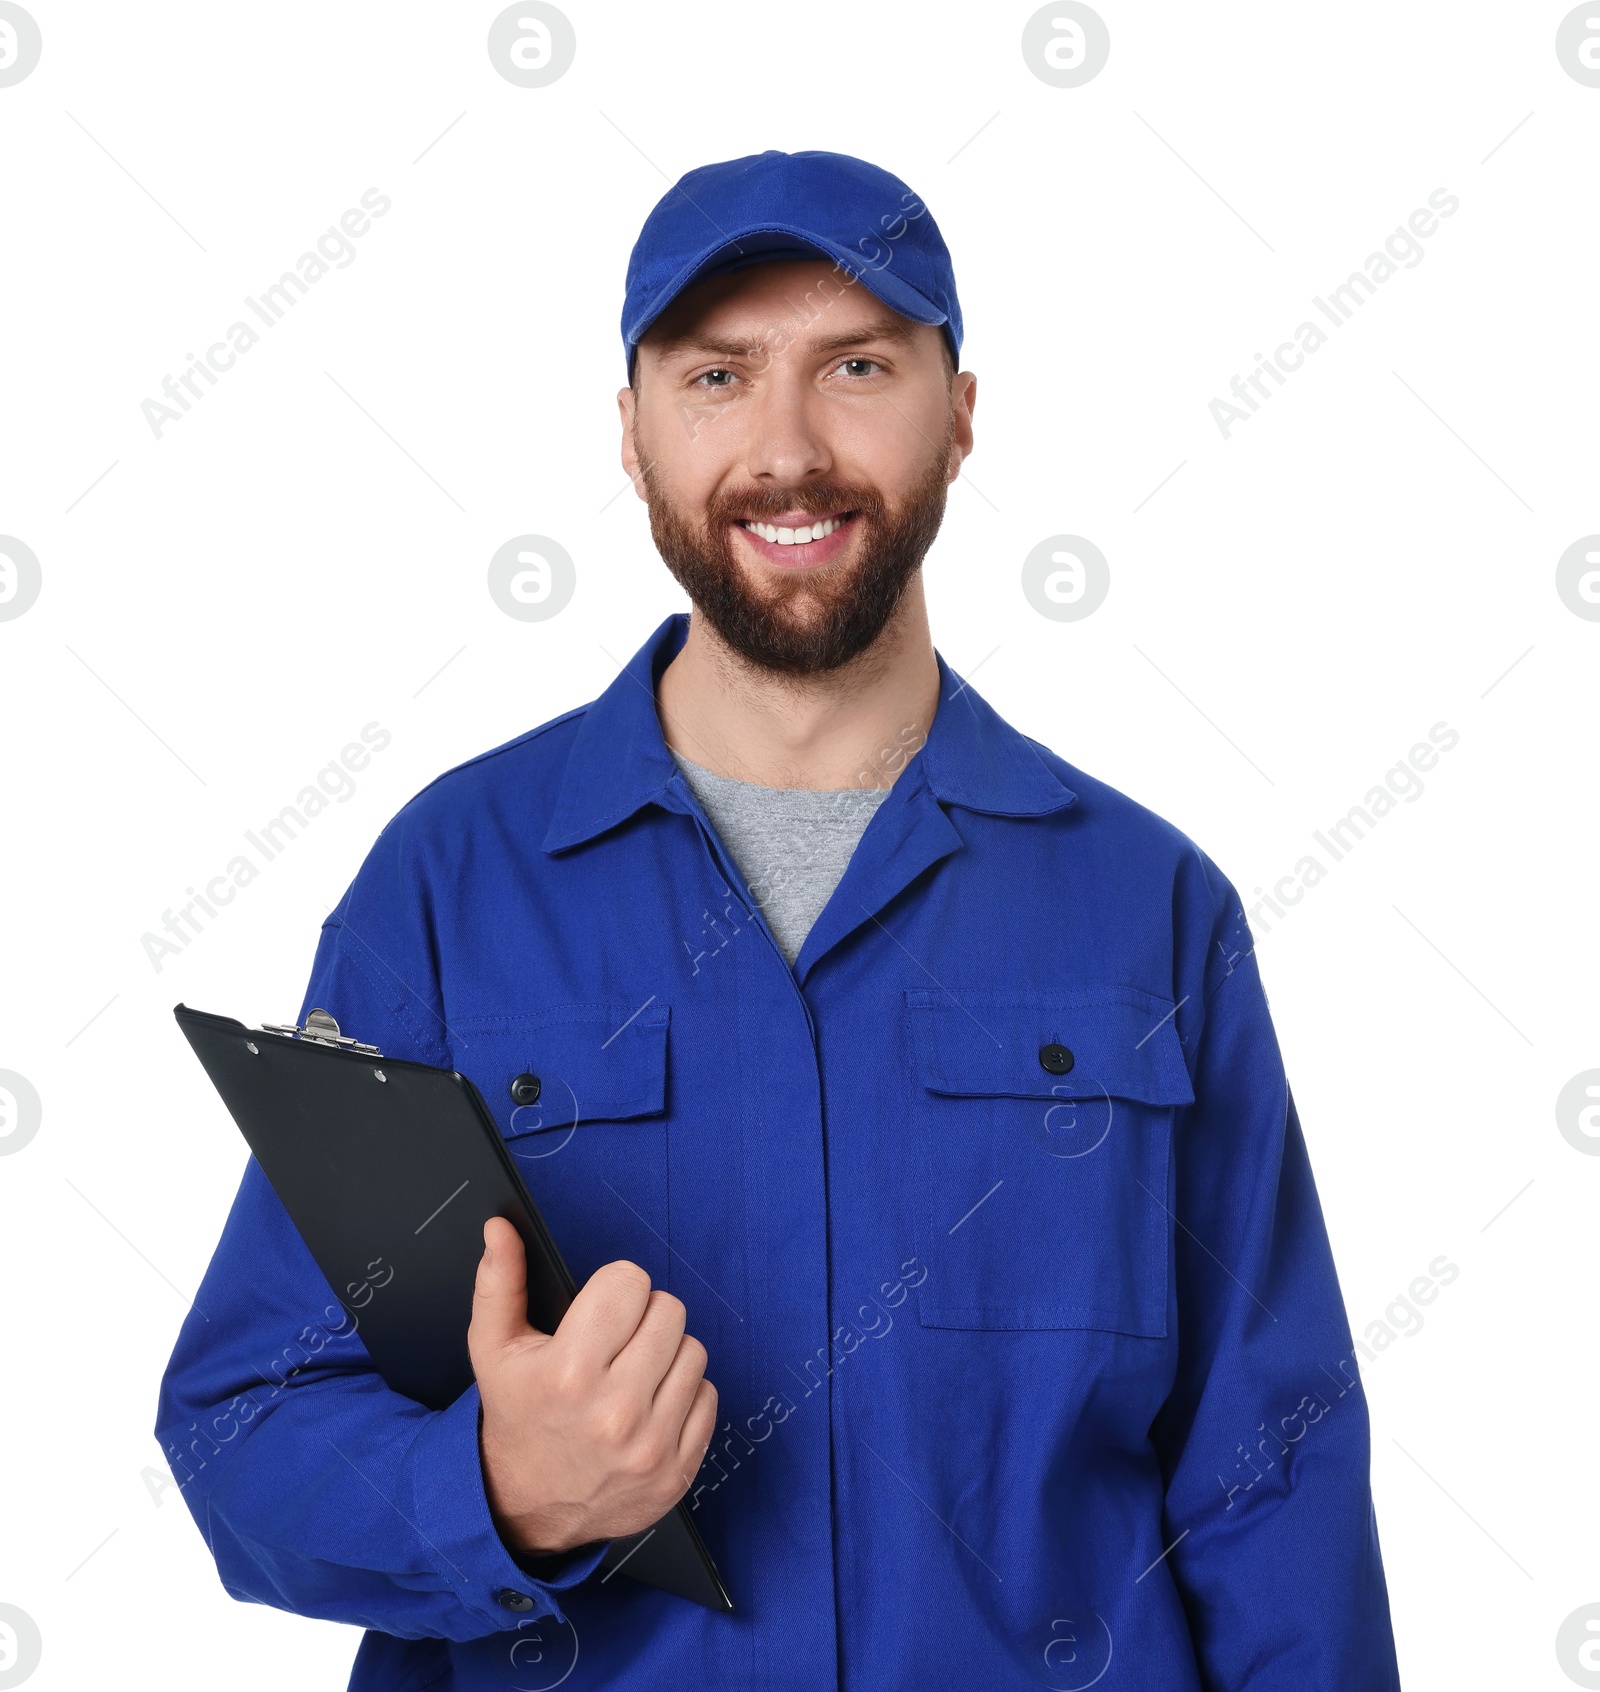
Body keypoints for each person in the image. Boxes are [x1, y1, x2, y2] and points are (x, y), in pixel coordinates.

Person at [157, 148, 1403, 1690]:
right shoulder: (450, 881)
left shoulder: (1147, 909)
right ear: (631, 434)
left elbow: (1272, 1483)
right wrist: (494, 1491)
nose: (788, 448)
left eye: (858, 366)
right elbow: (245, 1422)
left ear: (961, 412)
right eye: (718, 376)